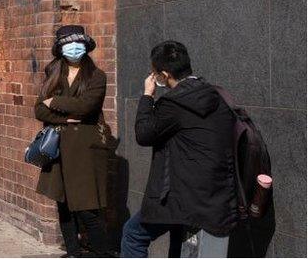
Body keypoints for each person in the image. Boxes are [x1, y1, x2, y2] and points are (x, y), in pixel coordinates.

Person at [120, 41, 237, 258]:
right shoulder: (215, 96)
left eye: (155, 73)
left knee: (133, 235)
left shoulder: (175, 103)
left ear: (164, 74)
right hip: (213, 193)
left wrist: (147, 95)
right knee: (179, 243)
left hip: (183, 196)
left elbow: (144, 134)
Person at [34, 25, 111, 257]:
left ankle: (102, 252)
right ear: (60, 48)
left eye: (78, 43)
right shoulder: (53, 73)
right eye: (67, 43)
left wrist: (54, 103)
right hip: (57, 147)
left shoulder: (97, 76)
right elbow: (39, 110)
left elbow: (87, 106)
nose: (74, 47)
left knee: (87, 206)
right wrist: (67, 115)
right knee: (63, 203)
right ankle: (73, 251)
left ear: (86, 45)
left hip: (84, 148)